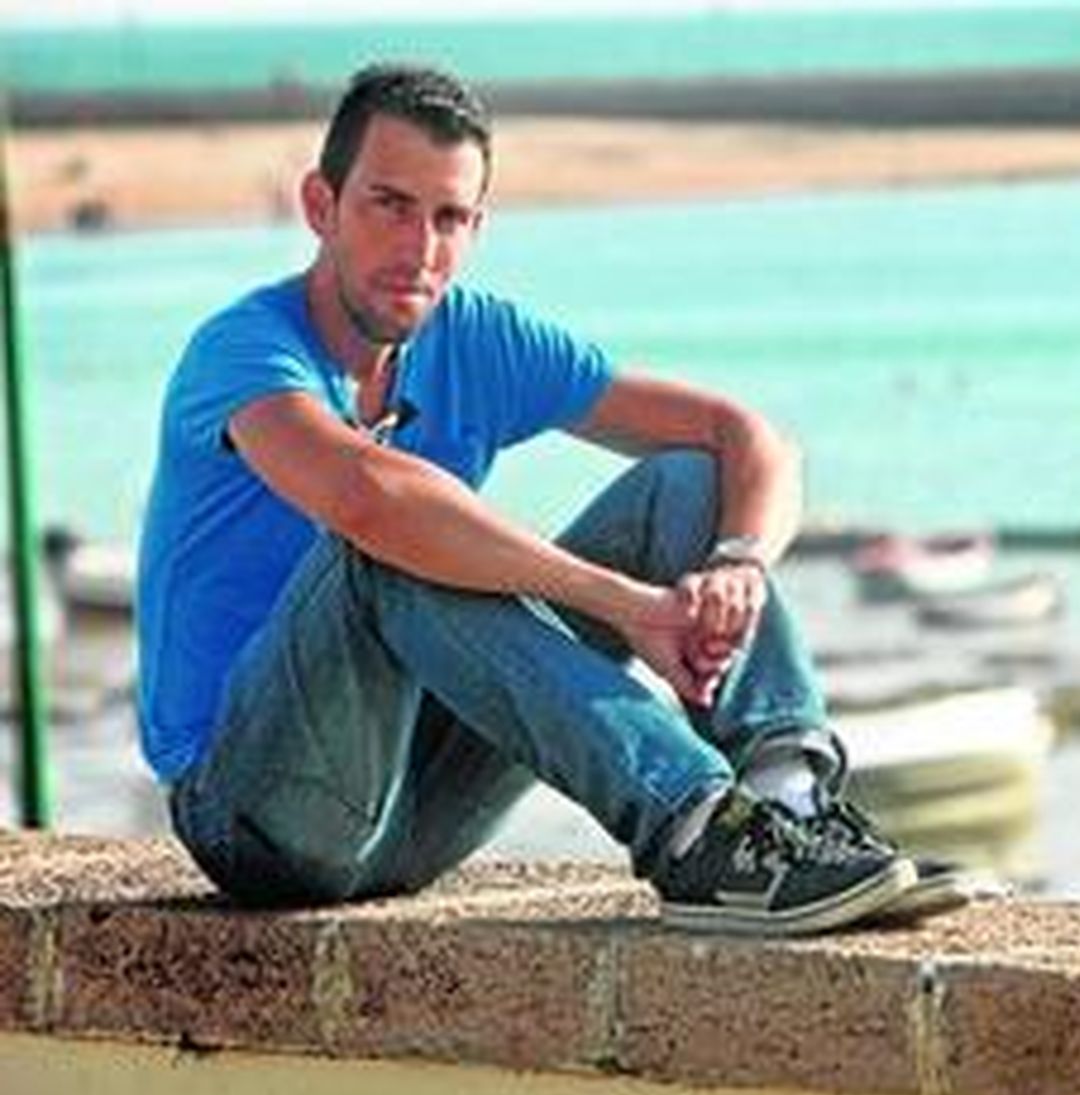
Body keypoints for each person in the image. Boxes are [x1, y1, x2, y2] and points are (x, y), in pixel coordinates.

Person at [136, 63, 980, 936]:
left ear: (477, 227)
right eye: (389, 205)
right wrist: (626, 606)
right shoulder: (243, 352)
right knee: (391, 541)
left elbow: (747, 439)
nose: (420, 247)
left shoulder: (478, 339)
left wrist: (740, 565)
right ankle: (696, 829)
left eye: (449, 217)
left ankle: (788, 802)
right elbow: (367, 500)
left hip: (422, 815)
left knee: (687, 485)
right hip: (256, 818)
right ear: (321, 206)